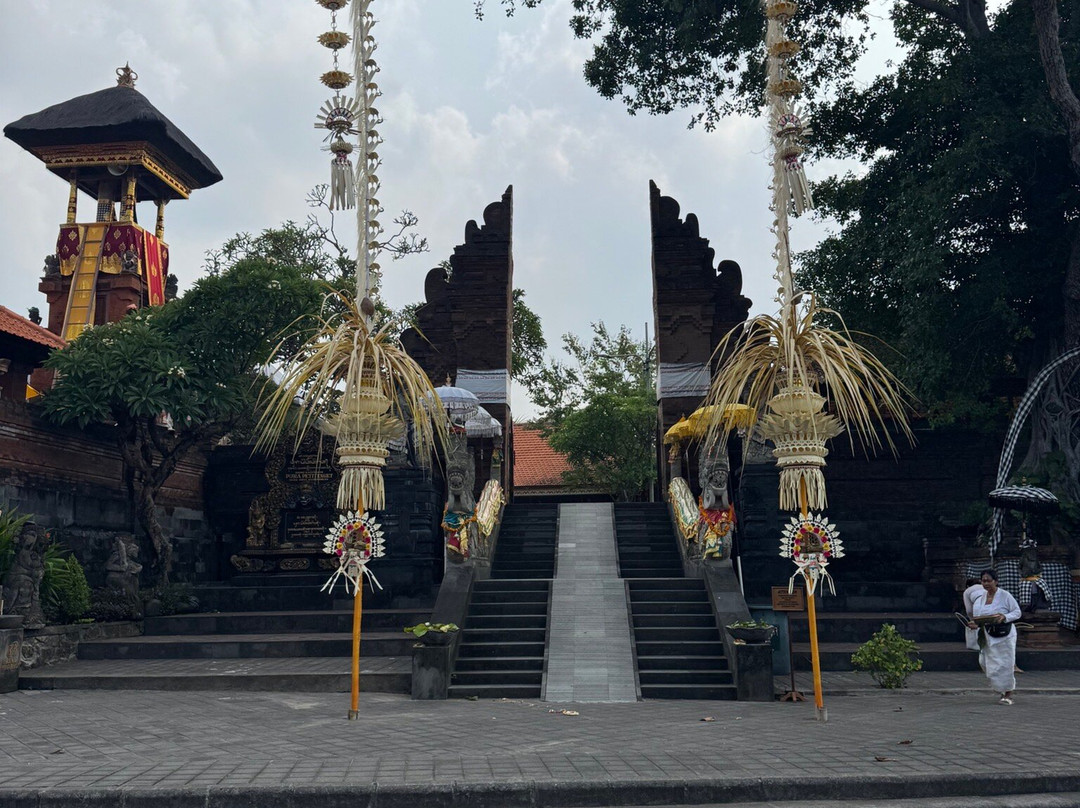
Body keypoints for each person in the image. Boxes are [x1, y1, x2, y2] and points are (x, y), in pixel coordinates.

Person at [967, 568, 1022, 705]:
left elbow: (1017, 612)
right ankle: (1000, 688)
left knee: (1005, 664)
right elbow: (978, 618)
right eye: (983, 581)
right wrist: (975, 625)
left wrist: (1004, 616)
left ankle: (1008, 694)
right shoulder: (980, 599)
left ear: (996, 581)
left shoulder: (1005, 595)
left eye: (988, 581)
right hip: (988, 635)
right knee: (985, 662)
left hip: (1005, 635)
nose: (986, 583)